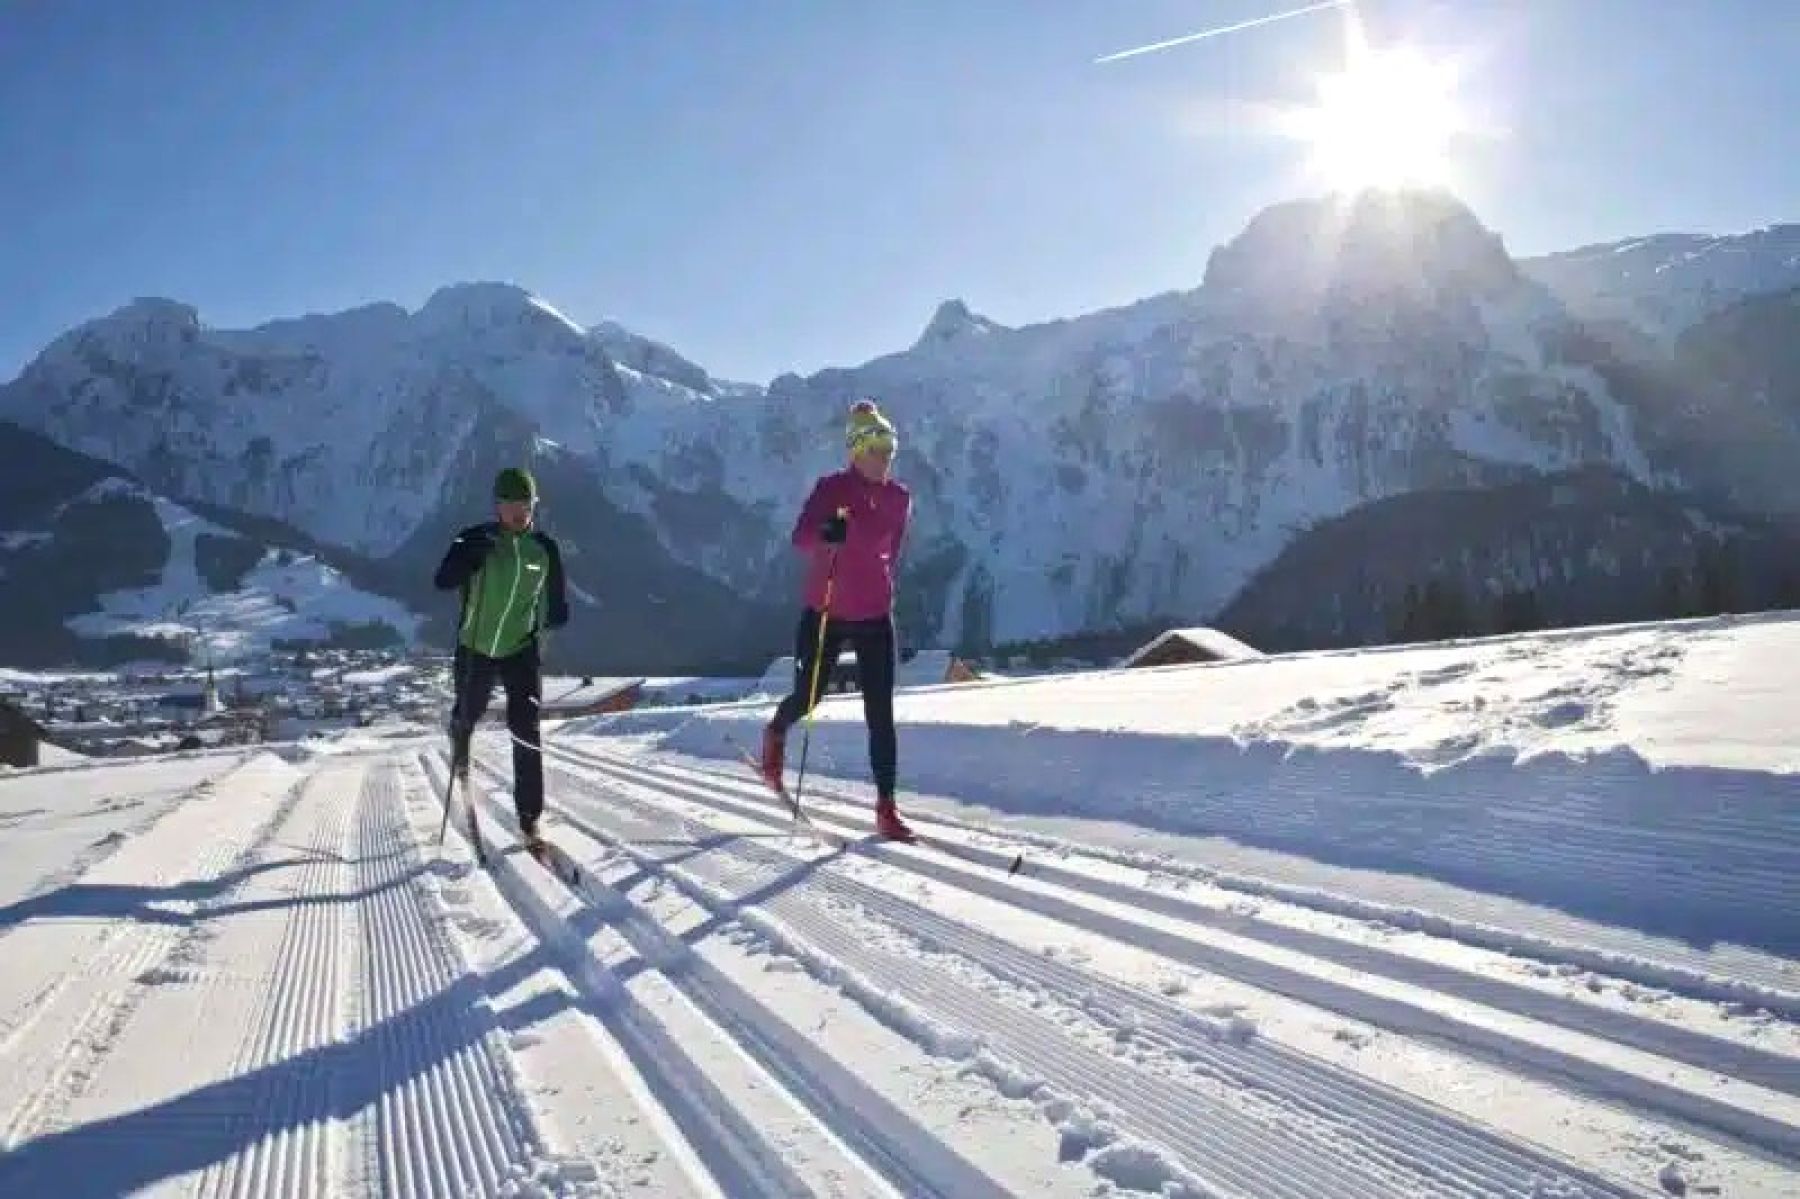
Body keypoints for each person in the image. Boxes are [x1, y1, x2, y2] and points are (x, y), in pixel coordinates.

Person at [760, 399, 915, 839]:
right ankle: (776, 731)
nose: (885, 460)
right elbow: (801, 538)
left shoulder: (900, 498)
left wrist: (875, 581)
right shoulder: (832, 489)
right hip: (825, 608)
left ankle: (886, 807)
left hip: (874, 613)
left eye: (890, 451)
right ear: (857, 451)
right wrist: (831, 532)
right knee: (808, 696)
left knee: (881, 713)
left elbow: (892, 551)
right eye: (877, 451)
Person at [434, 466, 568, 844]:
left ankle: (529, 816)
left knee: (526, 728)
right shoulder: (474, 538)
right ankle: (460, 746)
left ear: (534, 506)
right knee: (469, 713)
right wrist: (466, 559)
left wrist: (556, 612)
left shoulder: (544, 549)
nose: (518, 512)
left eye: (525, 505)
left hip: (520, 650)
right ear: (497, 506)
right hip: (475, 646)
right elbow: (442, 580)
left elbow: (557, 601)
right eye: (510, 505)